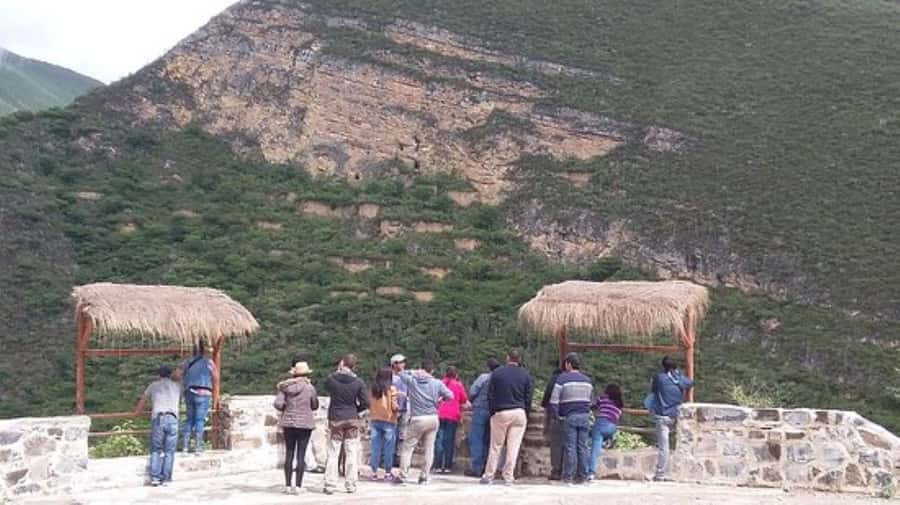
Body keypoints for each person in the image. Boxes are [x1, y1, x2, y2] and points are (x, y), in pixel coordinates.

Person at [480, 349, 534, 486]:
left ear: (507, 358)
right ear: (519, 359)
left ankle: (489, 475)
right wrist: (525, 412)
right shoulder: (526, 374)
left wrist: (493, 411)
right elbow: (529, 397)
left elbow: (490, 395)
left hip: (501, 412)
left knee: (496, 446)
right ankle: (508, 476)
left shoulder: (497, 373)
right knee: (513, 447)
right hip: (519, 412)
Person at [397, 358, 453, 485]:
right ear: (432, 370)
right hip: (433, 417)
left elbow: (400, 373)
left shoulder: (412, 381)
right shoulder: (437, 383)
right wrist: (440, 399)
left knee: (408, 448)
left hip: (417, 418)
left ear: (420, 368)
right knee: (429, 449)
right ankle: (424, 476)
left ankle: (403, 475)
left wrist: (414, 372)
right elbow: (450, 396)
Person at [323, 354, 369, 495]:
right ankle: (351, 484)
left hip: (336, 418)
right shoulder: (359, 382)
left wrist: (337, 371)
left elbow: (325, 385)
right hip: (352, 418)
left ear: (342, 363)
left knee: (333, 452)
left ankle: (330, 484)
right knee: (351, 452)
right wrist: (356, 410)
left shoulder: (332, 380)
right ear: (354, 366)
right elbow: (366, 403)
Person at [274, 360, 318, 494]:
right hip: (305, 424)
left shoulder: (285, 387)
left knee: (289, 453)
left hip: (289, 422)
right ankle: (298, 486)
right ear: (306, 374)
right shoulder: (310, 388)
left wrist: (288, 406)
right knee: (301, 454)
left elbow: (278, 404)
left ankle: (287, 486)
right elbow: (314, 405)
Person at [548, 352, 593, 484]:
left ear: (568, 364)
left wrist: (557, 416)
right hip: (584, 416)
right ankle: (583, 475)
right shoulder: (587, 380)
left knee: (570, 447)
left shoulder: (562, 379)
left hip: (570, 416)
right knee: (583, 446)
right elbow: (590, 400)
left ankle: (569, 476)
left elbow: (553, 400)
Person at [133, 365, 181, 486]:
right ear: (170, 375)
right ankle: (167, 479)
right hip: (173, 418)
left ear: (158, 375)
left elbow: (143, 399)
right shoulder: (177, 386)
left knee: (156, 449)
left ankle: (155, 477)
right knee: (169, 451)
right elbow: (181, 375)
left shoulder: (153, 385)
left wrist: (136, 413)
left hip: (159, 418)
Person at [647, 356, 694, 481]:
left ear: (663, 366)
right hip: (675, 415)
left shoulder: (659, 378)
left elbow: (653, 390)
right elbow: (690, 383)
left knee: (664, 447)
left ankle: (661, 474)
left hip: (662, 415)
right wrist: (678, 375)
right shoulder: (679, 379)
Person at [180, 341, 217, 454]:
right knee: (199, 420)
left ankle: (185, 447)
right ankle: (198, 447)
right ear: (204, 351)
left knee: (189, 419)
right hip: (204, 393)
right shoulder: (209, 362)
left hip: (189, 392)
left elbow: (179, 374)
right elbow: (216, 377)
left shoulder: (187, 362)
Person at [465, 357, 500, 477]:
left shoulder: (484, 377)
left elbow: (473, 391)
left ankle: (476, 467)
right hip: (494, 410)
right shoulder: (499, 378)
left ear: (488, 367)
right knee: (489, 439)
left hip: (480, 408)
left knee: (477, 438)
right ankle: (487, 466)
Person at [433, 366, 469, 473]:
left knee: (439, 439)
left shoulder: (439, 383)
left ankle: (437, 465)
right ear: (456, 375)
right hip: (453, 415)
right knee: (449, 440)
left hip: (439, 413)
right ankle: (448, 466)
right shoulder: (458, 385)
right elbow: (464, 399)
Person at [368, 367, 400, 481]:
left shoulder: (373, 389)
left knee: (375, 447)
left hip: (375, 419)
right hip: (388, 420)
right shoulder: (391, 389)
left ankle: (373, 472)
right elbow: (394, 406)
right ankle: (387, 472)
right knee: (388, 448)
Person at [587, 383, 624, 481]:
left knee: (593, 447)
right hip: (612, 427)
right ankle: (609, 440)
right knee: (594, 435)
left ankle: (590, 472)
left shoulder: (603, 398)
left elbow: (594, 406)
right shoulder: (619, 403)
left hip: (601, 424)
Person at [540, 362, 564, 480]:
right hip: (568, 413)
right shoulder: (568, 379)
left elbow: (547, 395)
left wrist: (545, 406)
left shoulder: (555, 379)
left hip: (555, 413)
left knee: (555, 443)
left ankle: (556, 470)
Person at [390, 354, 409, 467]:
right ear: (394, 364)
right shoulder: (389, 377)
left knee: (403, 435)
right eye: (400, 362)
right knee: (391, 434)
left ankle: (398, 458)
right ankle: (388, 457)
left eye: (403, 362)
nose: (402, 364)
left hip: (405, 408)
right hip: (393, 409)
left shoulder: (406, 376)